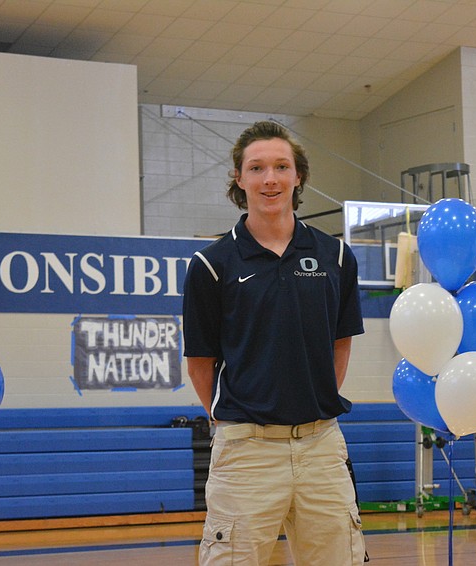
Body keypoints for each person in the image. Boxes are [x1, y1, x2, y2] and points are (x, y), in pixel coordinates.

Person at [182, 120, 367, 565]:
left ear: (297, 176)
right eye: (258, 168)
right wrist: (235, 423)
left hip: (322, 447)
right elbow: (199, 362)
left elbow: (340, 344)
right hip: (247, 450)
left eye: (281, 167)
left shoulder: (336, 256)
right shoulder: (211, 265)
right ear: (239, 178)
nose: (270, 179)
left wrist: (313, 401)